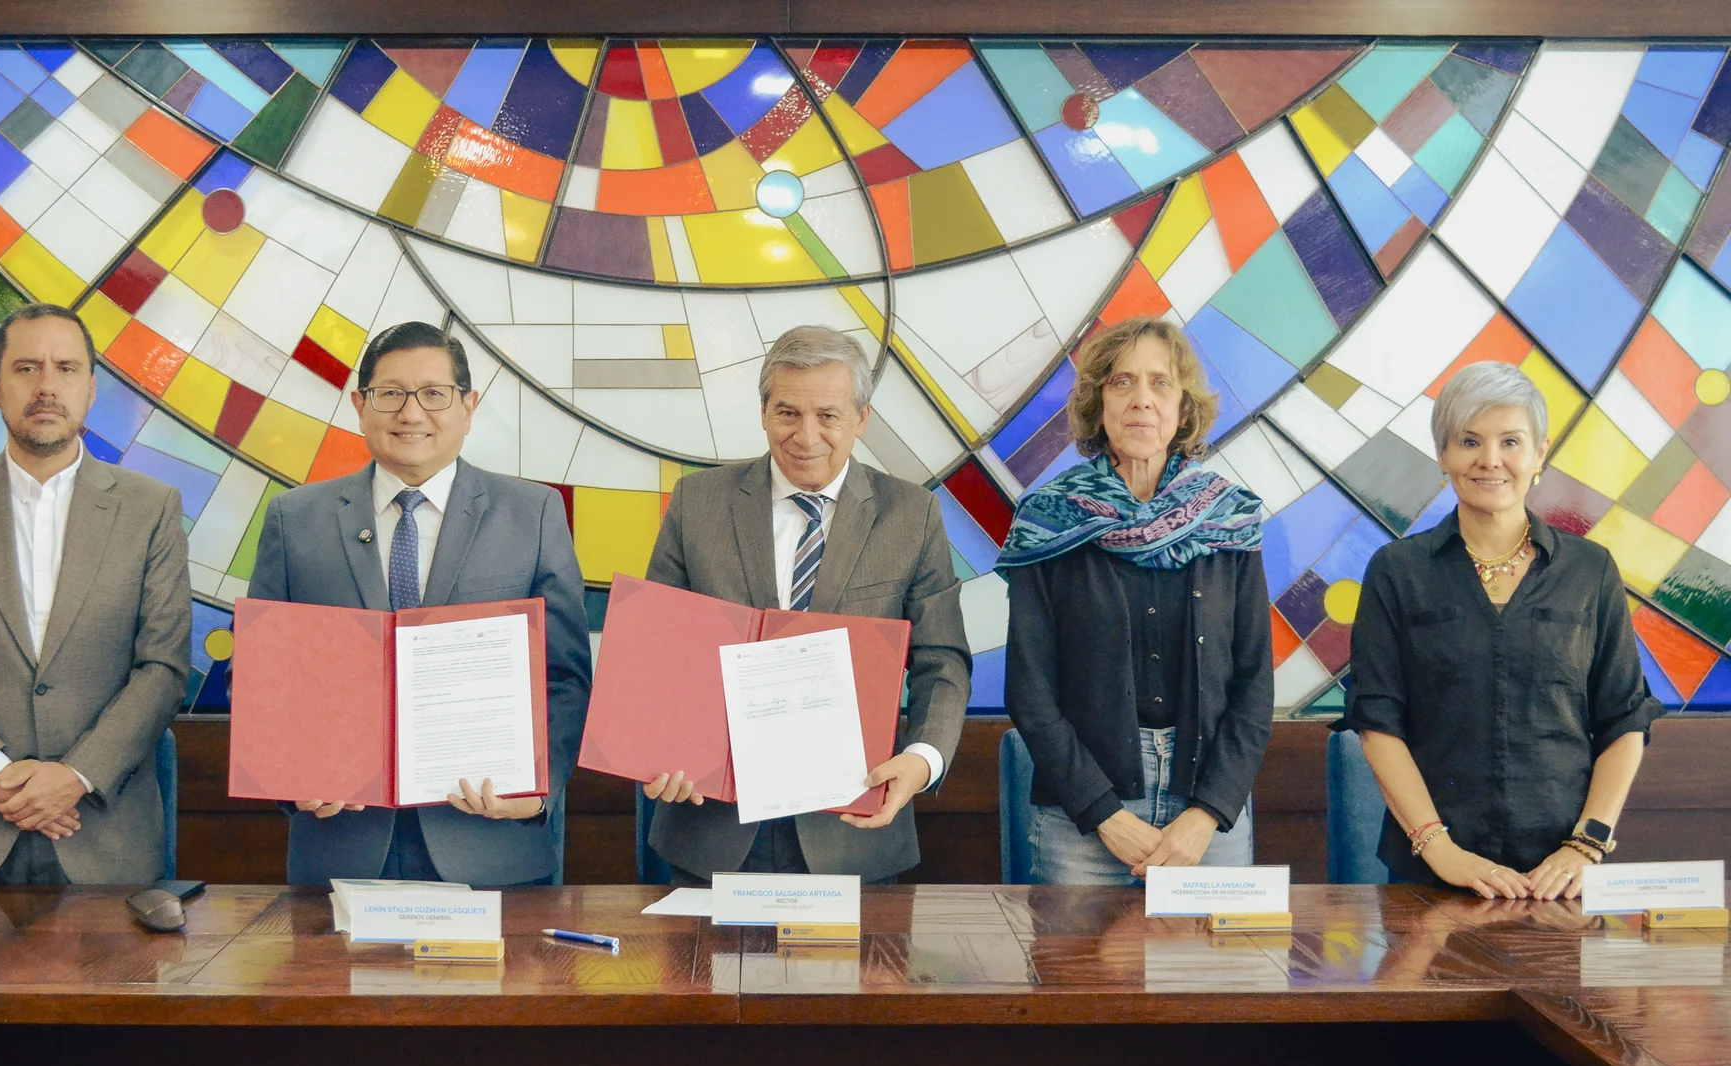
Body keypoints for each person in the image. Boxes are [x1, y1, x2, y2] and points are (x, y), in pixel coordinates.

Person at [248, 321, 590, 887]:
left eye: (434, 394)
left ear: (468, 407)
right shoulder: (296, 519)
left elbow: (566, 676)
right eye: (390, 394)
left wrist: (538, 787)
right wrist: (293, 776)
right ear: (360, 406)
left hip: (490, 846)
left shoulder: (531, 514)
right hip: (341, 844)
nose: (411, 413)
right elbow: (262, 672)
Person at [0, 303, 192, 888]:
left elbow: (164, 668)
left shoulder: (151, 509)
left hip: (104, 837)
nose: (47, 386)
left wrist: (74, 776)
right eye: (26, 368)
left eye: (66, 368)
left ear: (91, 389)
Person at [642, 325, 971, 883]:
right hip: (711, 825)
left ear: (861, 419)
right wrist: (659, 746)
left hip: (853, 829)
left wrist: (923, 759)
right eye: (788, 413)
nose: (806, 436)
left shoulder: (911, 514)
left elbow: (942, 659)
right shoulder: (697, 503)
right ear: (763, 412)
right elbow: (656, 650)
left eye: (828, 416)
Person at [1340, 362, 1659, 900]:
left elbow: (1625, 718)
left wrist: (1586, 845)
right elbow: (1377, 722)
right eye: (1469, 441)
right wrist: (1440, 849)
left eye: (1510, 441)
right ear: (1443, 455)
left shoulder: (1590, 571)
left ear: (1539, 453)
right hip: (1431, 874)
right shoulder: (1397, 571)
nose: (1490, 460)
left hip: (1561, 876)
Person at [998, 316, 1272, 886]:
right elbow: (1029, 689)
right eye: (1121, 382)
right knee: (1082, 952)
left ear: (1184, 408)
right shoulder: (1048, 520)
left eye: (1160, 383)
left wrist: (1207, 813)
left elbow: (1253, 683)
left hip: (1209, 812)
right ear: (1098, 404)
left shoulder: (1229, 518)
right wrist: (1104, 814)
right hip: (1081, 818)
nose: (1141, 399)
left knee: (1208, 951)